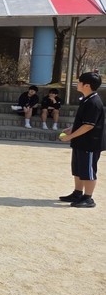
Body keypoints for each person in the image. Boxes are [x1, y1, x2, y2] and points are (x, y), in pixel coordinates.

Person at [58, 71, 105, 208]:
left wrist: (70, 136)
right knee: (78, 168)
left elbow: (88, 125)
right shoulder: (87, 99)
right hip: (81, 142)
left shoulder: (93, 102)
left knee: (88, 171)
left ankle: (88, 198)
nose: (77, 84)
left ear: (87, 85)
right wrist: (71, 129)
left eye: (79, 82)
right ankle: (77, 193)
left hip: (90, 143)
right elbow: (83, 121)